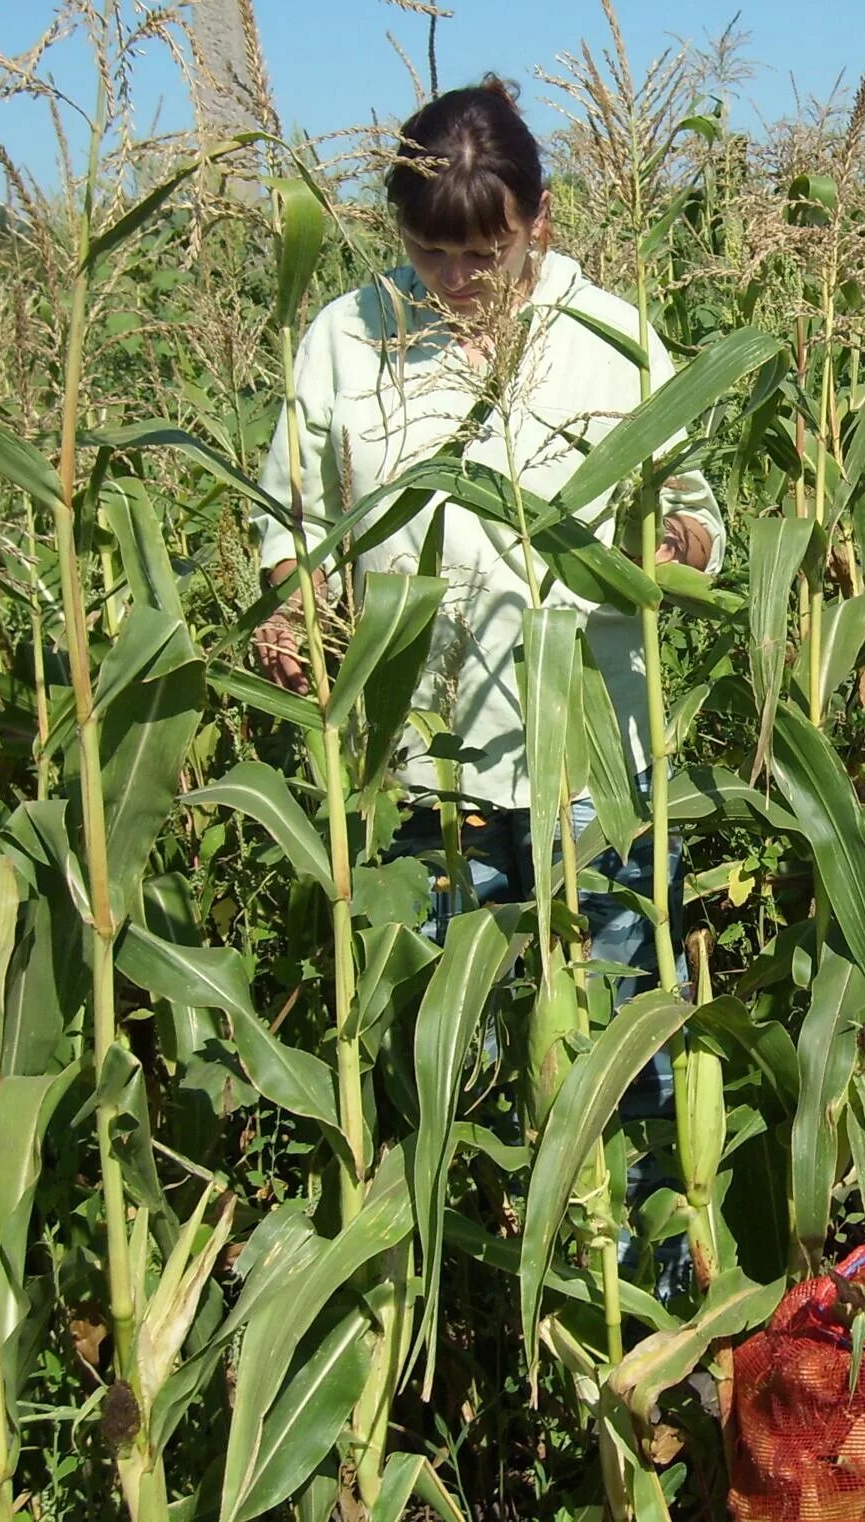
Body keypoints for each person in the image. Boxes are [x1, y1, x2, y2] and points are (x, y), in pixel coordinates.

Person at [252, 78, 723, 1087]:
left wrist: (673, 545)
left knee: (618, 1065)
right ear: (398, 228)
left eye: (485, 253)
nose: (457, 279)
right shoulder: (346, 339)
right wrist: (293, 602)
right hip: (425, 765)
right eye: (431, 251)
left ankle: (636, 1254)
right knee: (441, 1053)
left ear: (540, 219)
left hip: (596, 769)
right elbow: (290, 518)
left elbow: (699, 514)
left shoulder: (611, 338)